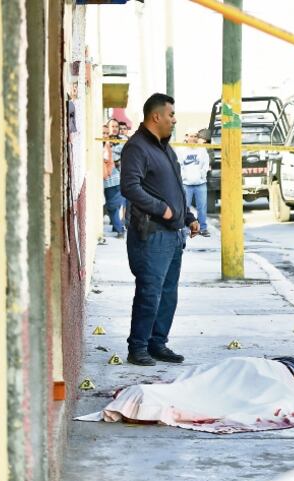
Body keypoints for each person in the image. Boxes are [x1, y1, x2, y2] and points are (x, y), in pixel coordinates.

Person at [119, 93, 199, 367]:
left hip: (174, 235)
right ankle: (138, 347)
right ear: (156, 117)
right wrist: (162, 209)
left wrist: (188, 216)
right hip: (151, 235)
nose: (174, 120)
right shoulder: (137, 147)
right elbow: (129, 187)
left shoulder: (165, 148)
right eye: (171, 115)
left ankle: (157, 343)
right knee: (149, 292)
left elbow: (175, 186)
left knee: (168, 293)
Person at [177, 130, 211, 237]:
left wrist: (202, 175)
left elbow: (206, 163)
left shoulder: (202, 150)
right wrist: (184, 177)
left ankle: (203, 228)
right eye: (191, 136)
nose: (193, 138)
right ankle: (186, 228)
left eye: (195, 136)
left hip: (200, 183)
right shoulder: (180, 150)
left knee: (202, 207)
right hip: (186, 184)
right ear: (186, 137)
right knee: (185, 207)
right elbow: (178, 165)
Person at [103, 118, 127, 239]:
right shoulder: (104, 141)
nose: (115, 129)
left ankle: (119, 228)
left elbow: (120, 155)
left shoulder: (122, 141)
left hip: (120, 177)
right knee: (113, 205)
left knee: (115, 205)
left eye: (116, 127)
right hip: (109, 178)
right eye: (112, 126)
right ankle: (117, 227)